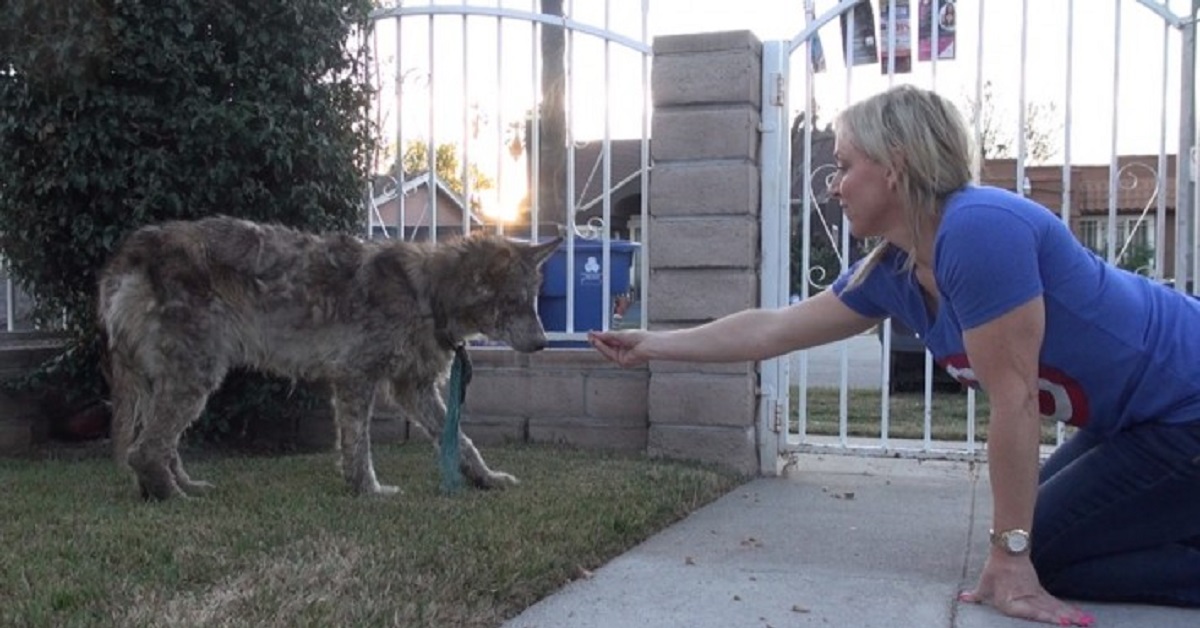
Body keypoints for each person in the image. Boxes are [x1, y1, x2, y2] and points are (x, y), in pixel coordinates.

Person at [588, 84, 1200, 626]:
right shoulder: (895, 269)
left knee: (1039, 552)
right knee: (1036, 534)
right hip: (1142, 420)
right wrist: (652, 345)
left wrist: (1010, 560)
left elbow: (1016, 403)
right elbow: (773, 329)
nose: (833, 185)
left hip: (1186, 408)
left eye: (843, 165)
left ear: (895, 165)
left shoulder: (981, 229)